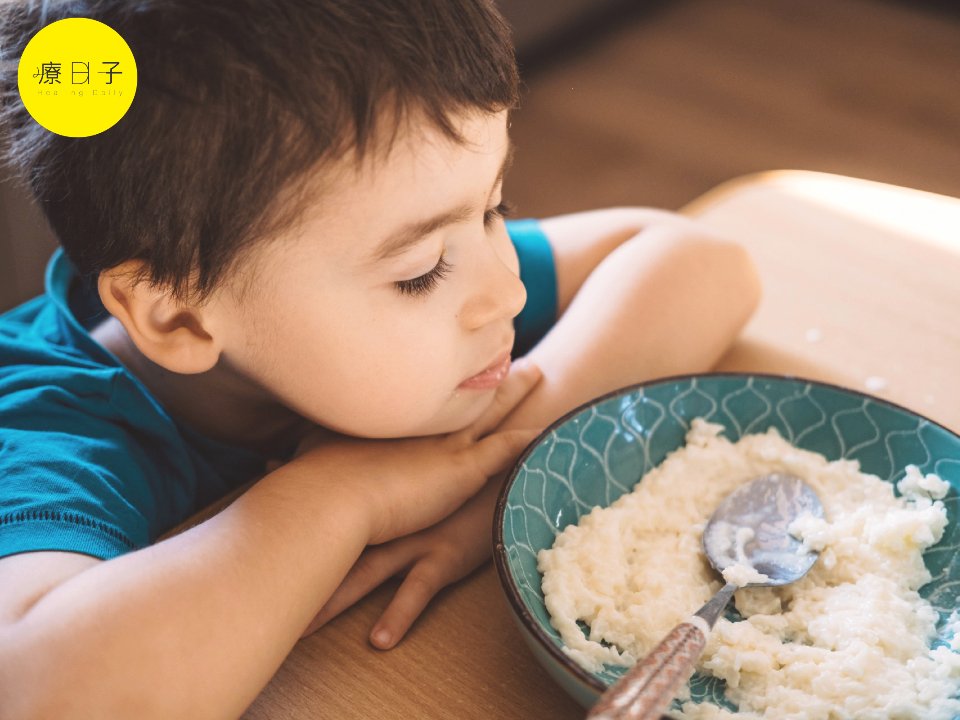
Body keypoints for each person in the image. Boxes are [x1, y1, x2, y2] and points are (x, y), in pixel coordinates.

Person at [0, 0, 761, 717]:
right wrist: (334, 497)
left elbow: (700, 260)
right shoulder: (46, 430)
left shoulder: (402, 285)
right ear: (181, 318)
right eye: (421, 271)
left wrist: (511, 465)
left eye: (495, 208)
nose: (504, 292)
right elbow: (40, 691)